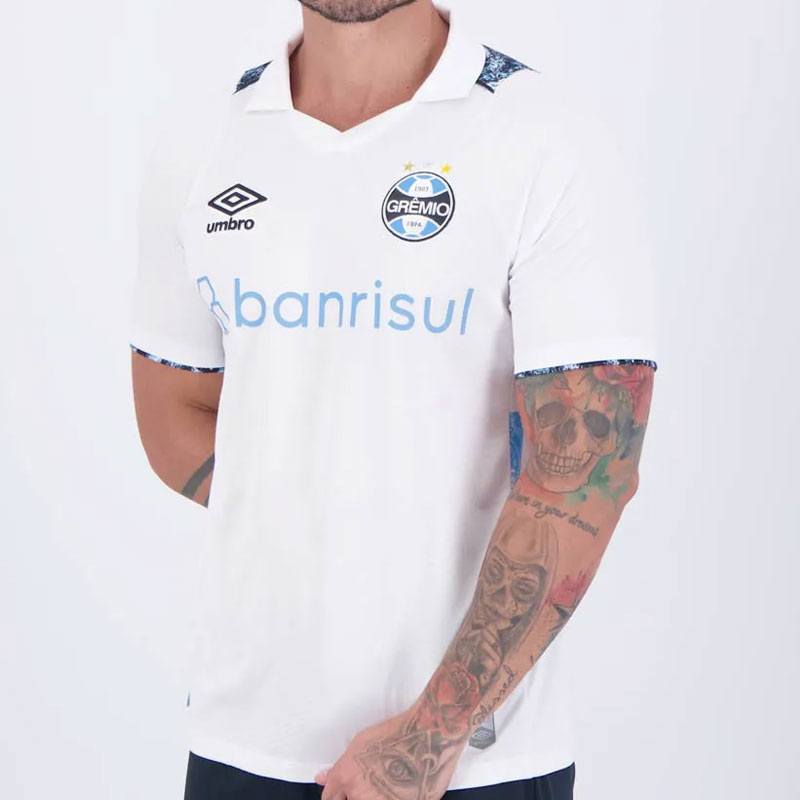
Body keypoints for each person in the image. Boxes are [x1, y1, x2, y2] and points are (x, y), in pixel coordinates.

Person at [129, 0, 658, 798]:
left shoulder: (542, 137)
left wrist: (430, 736)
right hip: (245, 743)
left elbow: (591, 473)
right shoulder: (204, 142)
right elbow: (174, 410)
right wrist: (308, 509)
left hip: (472, 762)